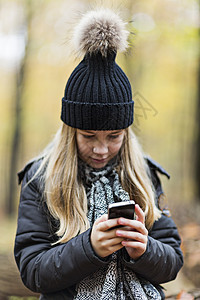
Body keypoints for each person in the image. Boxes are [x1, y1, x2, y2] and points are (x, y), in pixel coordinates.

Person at [14, 9, 183, 300]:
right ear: (71, 131)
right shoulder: (40, 179)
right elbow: (32, 270)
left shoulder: (143, 175)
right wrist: (88, 248)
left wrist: (144, 249)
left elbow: (172, 263)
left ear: (126, 134)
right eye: (88, 136)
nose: (101, 149)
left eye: (114, 137)